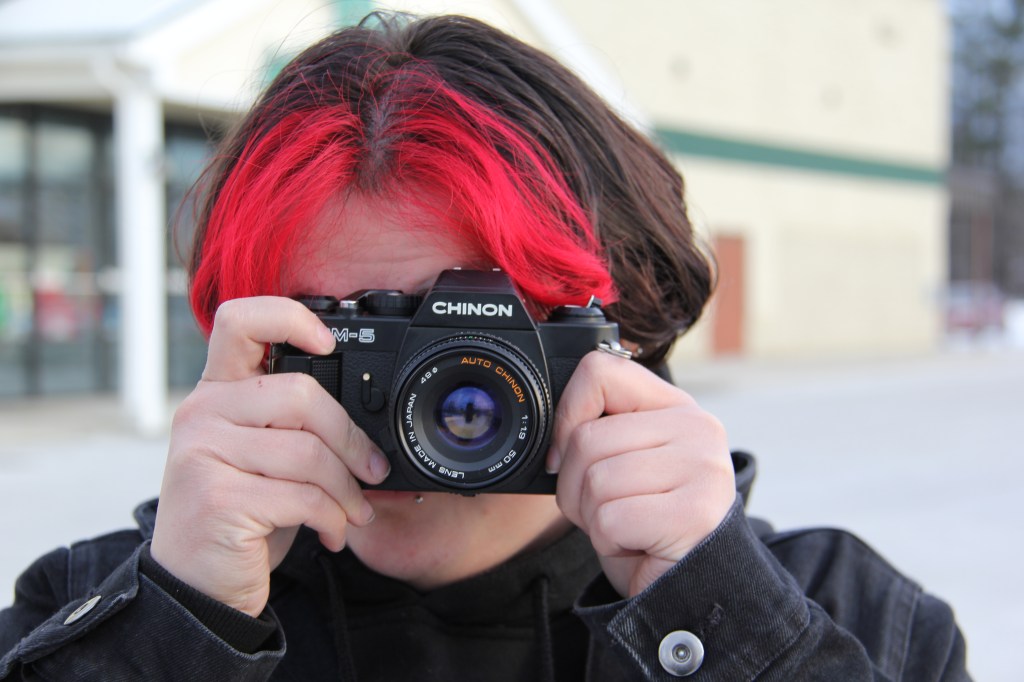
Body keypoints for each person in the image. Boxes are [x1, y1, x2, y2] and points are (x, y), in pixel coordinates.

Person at [0, 13, 969, 681]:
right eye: (358, 336)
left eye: (487, 329)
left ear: (623, 330)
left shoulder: (853, 619)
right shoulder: (87, 609)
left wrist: (715, 622)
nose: (445, 400)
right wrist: (176, 633)